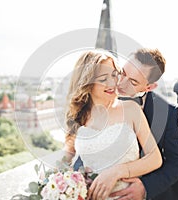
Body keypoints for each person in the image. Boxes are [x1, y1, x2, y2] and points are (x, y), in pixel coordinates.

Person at [64, 50, 162, 200]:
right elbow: (66, 158)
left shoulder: (131, 109)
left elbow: (155, 158)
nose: (113, 83)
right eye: (103, 79)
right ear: (87, 83)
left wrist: (117, 171)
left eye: (114, 74)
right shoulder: (79, 117)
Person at [109, 48, 178, 200]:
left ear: (150, 87)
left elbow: (177, 163)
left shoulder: (168, 112)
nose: (121, 83)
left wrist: (146, 187)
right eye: (123, 72)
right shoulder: (100, 97)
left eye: (133, 81)